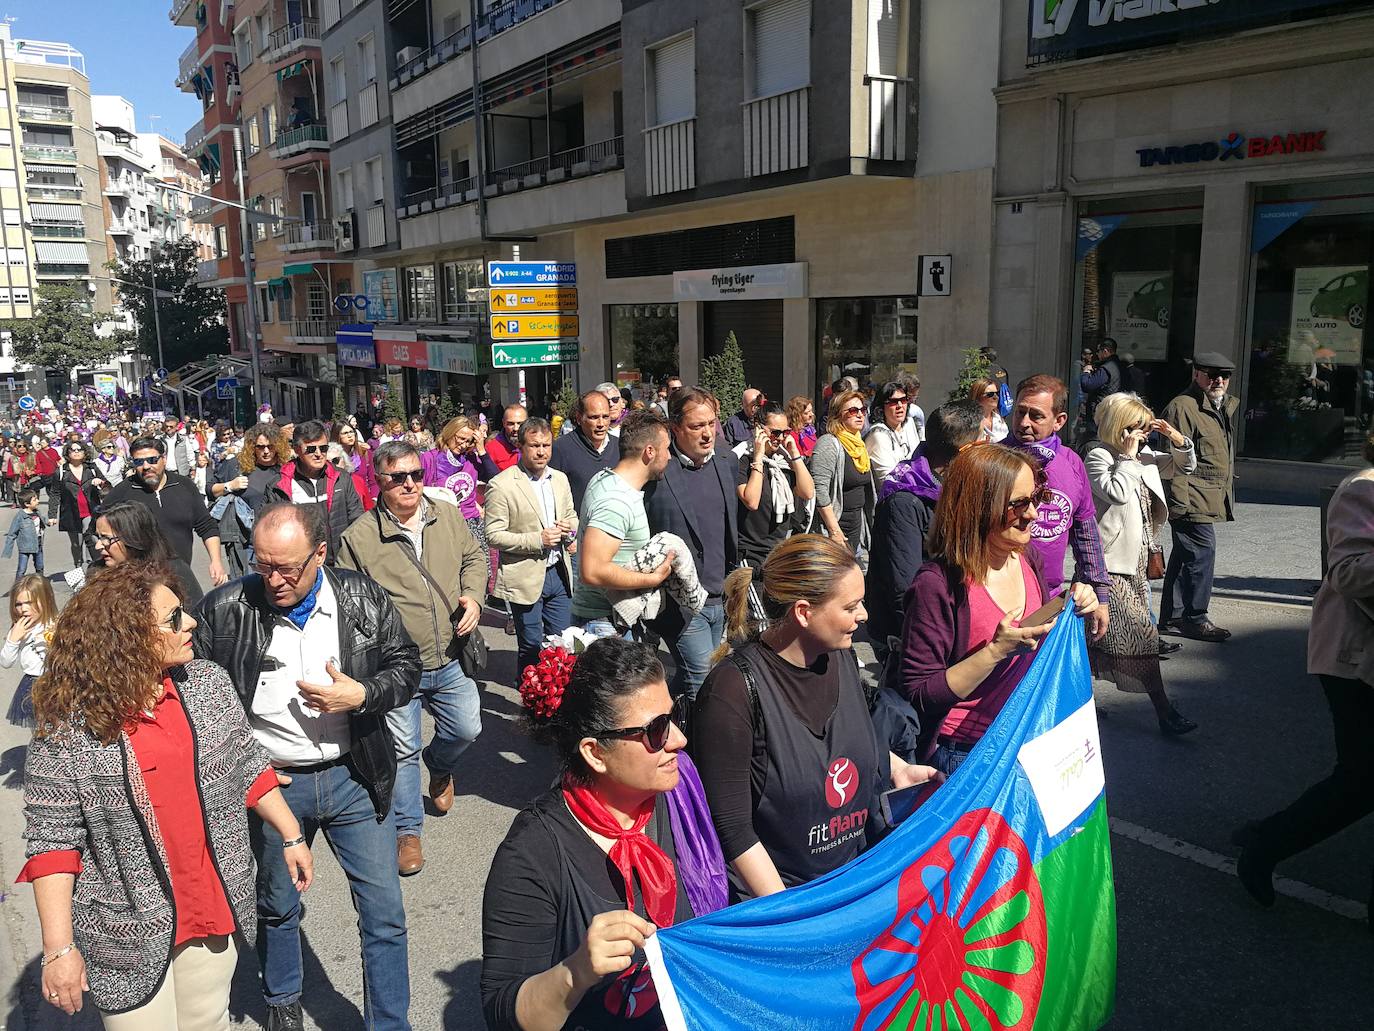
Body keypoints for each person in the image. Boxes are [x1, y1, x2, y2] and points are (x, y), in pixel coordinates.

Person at [19, 561, 313, 1026]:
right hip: (126, 926)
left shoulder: (207, 684)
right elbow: (52, 843)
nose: (192, 622)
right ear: (129, 636)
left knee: (207, 1021)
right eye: (174, 617)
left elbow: (245, 762)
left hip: (210, 905)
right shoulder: (69, 727)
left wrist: (291, 833)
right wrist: (59, 948)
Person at [192, 502, 419, 1031]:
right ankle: (282, 1001)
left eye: (286, 568)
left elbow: (405, 665)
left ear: (321, 553)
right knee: (276, 904)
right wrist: (243, 765)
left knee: (384, 913)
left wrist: (363, 693)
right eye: (261, 563)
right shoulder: (226, 609)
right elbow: (193, 694)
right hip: (275, 786)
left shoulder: (362, 597)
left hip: (355, 777)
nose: (272, 579)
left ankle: (389, 1023)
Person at [482, 637, 725, 1030]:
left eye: (675, 715)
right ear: (595, 752)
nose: (679, 739)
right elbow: (502, 1014)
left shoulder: (680, 793)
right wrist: (574, 972)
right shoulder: (533, 852)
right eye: (656, 730)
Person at [693, 534, 943, 899]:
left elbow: (843, 744)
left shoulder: (839, 657)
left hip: (854, 883)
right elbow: (733, 830)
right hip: (786, 903)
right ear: (804, 612)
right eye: (851, 606)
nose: (864, 615)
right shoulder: (732, 690)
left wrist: (896, 770)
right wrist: (792, 918)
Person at [1233, 429, 1374, 920]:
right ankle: (1265, 846)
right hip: (1353, 657)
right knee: (1361, 779)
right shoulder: (1363, 487)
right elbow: (1349, 571)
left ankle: (1263, 837)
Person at [899, 445, 1100, 774]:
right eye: (1019, 504)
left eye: (1036, 497)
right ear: (978, 508)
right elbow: (920, 692)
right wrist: (994, 652)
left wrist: (1072, 601)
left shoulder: (1026, 556)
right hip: (964, 755)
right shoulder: (937, 584)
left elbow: (1033, 632)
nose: (1034, 513)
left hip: (1028, 739)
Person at [338, 442, 489, 876]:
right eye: (397, 477)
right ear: (378, 484)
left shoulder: (447, 515)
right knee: (403, 749)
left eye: (416, 475)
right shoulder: (359, 538)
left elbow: (474, 558)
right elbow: (352, 604)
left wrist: (475, 599)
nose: (409, 484)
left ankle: (439, 767)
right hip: (398, 669)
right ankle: (408, 832)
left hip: (451, 658)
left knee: (468, 727)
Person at [1083, 393, 1198, 735]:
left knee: (1097, 640)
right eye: (1139, 428)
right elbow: (1115, 492)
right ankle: (1165, 713)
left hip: (1138, 565)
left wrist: (1178, 439)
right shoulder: (1098, 455)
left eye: (1147, 429)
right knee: (1143, 637)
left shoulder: (1144, 456)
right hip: (1109, 566)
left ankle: (1080, 704)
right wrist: (1130, 459)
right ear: (1122, 427)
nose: (1145, 435)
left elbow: (1184, 465)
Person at [644, 389, 745, 699]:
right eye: (696, 426)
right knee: (703, 685)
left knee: (694, 679)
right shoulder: (658, 469)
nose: (707, 434)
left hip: (720, 596)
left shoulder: (726, 462)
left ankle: (659, 725)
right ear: (675, 428)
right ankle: (696, 748)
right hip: (680, 604)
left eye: (711, 424)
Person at [866, 401, 983, 666]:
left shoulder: (954, 485)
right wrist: (936, 642)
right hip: (909, 636)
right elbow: (904, 589)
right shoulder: (903, 500)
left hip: (945, 623)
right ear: (967, 450)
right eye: (982, 441)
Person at [1007, 375, 1111, 638]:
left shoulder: (1072, 464)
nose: (1024, 423)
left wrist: (1101, 596)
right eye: (1020, 412)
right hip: (1001, 600)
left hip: (1050, 600)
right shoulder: (993, 461)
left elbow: (1086, 536)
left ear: (1059, 421)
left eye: (1036, 416)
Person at [485, 418, 578, 674]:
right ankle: (531, 701)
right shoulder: (502, 484)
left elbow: (572, 516)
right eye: (534, 445)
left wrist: (569, 530)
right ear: (521, 446)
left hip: (559, 573)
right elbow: (493, 535)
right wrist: (538, 539)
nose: (541, 452)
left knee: (562, 644)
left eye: (546, 446)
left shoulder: (559, 479)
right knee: (531, 646)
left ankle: (558, 700)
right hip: (524, 577)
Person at [1159, 351, 1241, 642]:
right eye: (1211, 374)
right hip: (1191, 497)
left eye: (1225, 375)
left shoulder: (1220, 406)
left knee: (1186, 556)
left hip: (1208, 495)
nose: (1219, 380)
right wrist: (1178, 503)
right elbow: (1175, 459)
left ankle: (1172, 616)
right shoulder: (1183, 407)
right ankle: (1195, 618)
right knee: (1202, 553)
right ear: (1196, 374)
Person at [571, 410, 675, 639]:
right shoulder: (616, 500)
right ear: (650, 452)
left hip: (612, 621)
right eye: (667, 449)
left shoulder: (606, 479)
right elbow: (593, 571)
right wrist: (653, 579)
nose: (669, 456)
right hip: (605, 624)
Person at [101, 437, 229, 586]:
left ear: (164, 459)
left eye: (152, 459)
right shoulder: (124, 491)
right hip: (139, 580)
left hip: (181, 575)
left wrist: (216, 562)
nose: (146, 466)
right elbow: (99, 529)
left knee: (194, 607)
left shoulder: (184, 485)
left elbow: (206, 526)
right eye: (139, 462)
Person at [261, 420, 366, 564]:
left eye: (323, 448)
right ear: (297, 450)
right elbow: (271, 529)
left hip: (341, 563)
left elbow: (357, 520)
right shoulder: (278, 485)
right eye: (311, 449)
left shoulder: (342, 478)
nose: (318, 454)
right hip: (300, 565)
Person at [733, 401, 814, 568]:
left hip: (779, 551)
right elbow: (752, 501)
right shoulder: (742, 459)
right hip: (750, 552)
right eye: (775, 432)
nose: (781, 438)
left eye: (786, 432)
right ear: (759, 428)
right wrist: (758, 458)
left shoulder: (784, 461)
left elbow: (808, 493)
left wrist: (795, 454)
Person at [210, 423, 290, 578]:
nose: (266, 451)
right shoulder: (237, 466)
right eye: (260, 447)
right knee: (248, 588)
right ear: (252, 446)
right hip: (248, 542)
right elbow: (210, 489)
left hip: (281, 540)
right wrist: (229, 486)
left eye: (270, 446)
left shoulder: (286, 468)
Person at [94, 502, 206, 606]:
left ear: (133, 538)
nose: (98, 546)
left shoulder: (176, 573)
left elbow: (199, 620)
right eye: (98, 537)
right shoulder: (95, 575)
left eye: (106, 538)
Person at [809, 389, 876, 557]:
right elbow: (819, 489)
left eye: (863, 410)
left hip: (856, 527)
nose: (860, 415)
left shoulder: (859, 444)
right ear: (838, 415)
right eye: (853, 411)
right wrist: (834, 531)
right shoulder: (829, 444)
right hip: (834, 529)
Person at [550, 389, 621, 515]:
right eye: (594, 417)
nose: (601, 424)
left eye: (605, 417)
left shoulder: (621, 446)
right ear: (579, 418)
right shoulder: (560, 449)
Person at [3, 573, 57, 728]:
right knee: (36, 730)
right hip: (30, 684)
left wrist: (41, 642)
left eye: (30, 603)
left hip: (52, 684)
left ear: (45, 600)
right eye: (18, 604)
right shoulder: (20, 627)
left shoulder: (53, 626)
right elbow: (6, 662)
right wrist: (13, 639)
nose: (23, 609)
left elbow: (55, 664)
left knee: (54, 731)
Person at [47, 440, 102, 568]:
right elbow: (55, 493)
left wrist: (100, 482)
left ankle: (93, 567)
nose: (76, 452)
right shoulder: (61, 472)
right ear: (68, 453)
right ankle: (78, 566)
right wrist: (52, 514)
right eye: (73, 450)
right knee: (77, 543)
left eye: (79, 450)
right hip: (71, 513)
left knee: (92, 540)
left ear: (84, 452)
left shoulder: (91, 468)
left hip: (90, 511)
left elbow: (106, 484)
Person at [862, 380, 921, 484]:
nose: (899, 406)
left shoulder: (909, 424)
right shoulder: (877, 434)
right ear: (881, 407)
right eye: (893, 402)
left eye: (903, 400)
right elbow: (888, 478)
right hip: (893, 494)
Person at [1080, 338, 1123, 432]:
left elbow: (1087, 385)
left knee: (1095, 438)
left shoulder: (1106, 368)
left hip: (1101, 409)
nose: (1097, 354)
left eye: (1098, 351)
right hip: (1115, 407)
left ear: (1105, 351)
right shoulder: (1121, 366)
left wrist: (1086, 372)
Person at [4, 488, 45, 579]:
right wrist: (7, 550)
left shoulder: (37, 512)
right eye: (34, 500)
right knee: (22, 569)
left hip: (38, 544)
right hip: (25, 547)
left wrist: (50, 521)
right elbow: (12, 533)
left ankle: (40, 585)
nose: (38, 501)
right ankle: (17, 588)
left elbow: (43, 521)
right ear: (27, 504)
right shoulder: (20, 516)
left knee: (40, 567)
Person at [484, 404, 528, 476]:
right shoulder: (491, 448)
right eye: (511, 424)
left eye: (520, 423)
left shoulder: (536, 444)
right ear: (503, 423)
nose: (516, 428)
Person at [970, 378, 1009, 442]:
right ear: (977, 396)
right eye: (990, 394)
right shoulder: (970, 422)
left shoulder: (999, 419)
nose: (996, 397)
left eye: (997, 393)